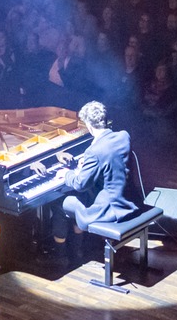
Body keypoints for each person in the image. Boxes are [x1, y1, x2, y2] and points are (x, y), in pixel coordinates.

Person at [46, 101, 135, 257]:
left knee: (58, 202)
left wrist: (67, 174)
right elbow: (110, 161)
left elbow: (80, 184)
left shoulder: (93, 151)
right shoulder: (123, 136)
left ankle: (61, 257)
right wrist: (87, 165)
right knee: (80, 197)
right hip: (127, 200)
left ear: (89, 125)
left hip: (108, 209)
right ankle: (78, 250)